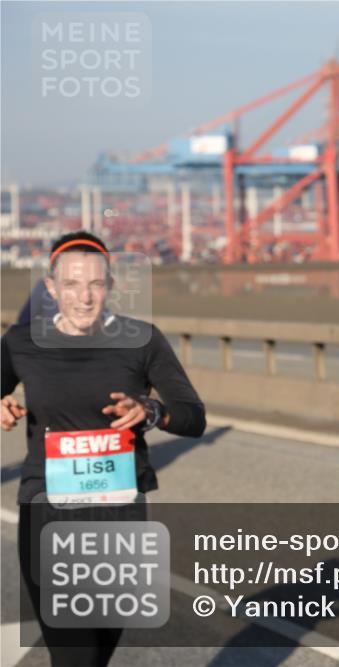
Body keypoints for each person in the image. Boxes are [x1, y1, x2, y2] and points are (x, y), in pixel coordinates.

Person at [1, 231, 206, 667]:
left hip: (119, 512)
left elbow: (192, 416)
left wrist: (150, 410)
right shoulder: (21, 342)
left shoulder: (143, 340)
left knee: (97, 650)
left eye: (95, 284)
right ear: (52, 289)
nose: (85, 297)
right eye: (72, 285)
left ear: (111, 286)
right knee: (74, 654)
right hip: (47, 510)